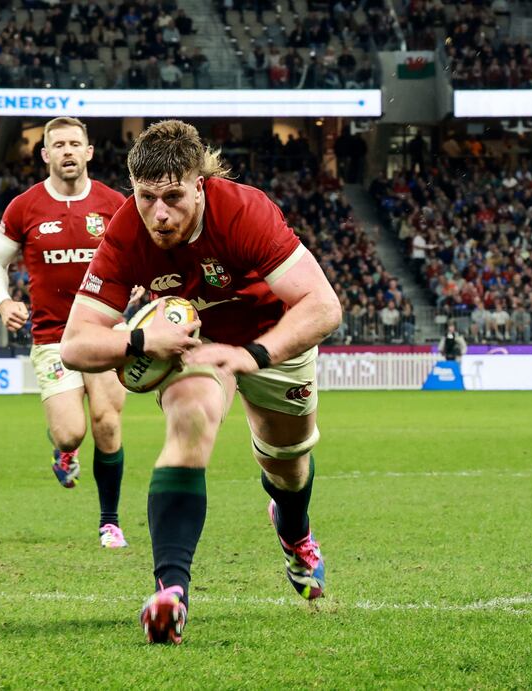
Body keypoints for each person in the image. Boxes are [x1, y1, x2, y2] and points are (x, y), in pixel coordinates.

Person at [60, 120, 342, 644]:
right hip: (193, 343)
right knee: (191, 419)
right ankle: (172, 594)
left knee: (288, 466)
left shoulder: (243, 211)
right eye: (146, 198)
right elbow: (75, 345)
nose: (159, 213)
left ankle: (293, 528)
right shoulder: (126, 230)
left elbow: (323, 306)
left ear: (199, 185)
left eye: (172, 197)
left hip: (270, 338)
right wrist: (141, 342)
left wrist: (255, 355)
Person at [0, 116, 130, 548]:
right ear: (45, 155)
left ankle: (110, 521)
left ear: (88, 152)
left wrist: (141, 280)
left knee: (107, 422)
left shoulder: (114, 204)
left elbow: (142, 253)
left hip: (106, 330)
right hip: (53, 338)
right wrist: (5, 302)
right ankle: (64, 451)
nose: (67, 151)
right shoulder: (24, 207)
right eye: (58, 145)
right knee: (72, 431)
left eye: (75, 144)